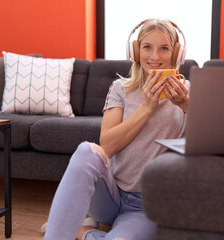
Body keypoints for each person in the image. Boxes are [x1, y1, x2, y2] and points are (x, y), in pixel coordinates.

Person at [44, 18, 190, 240]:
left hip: (146, 207)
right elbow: (108, 146)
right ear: (135, 52)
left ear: (177, 53)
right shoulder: (120, 89)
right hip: (109, 196)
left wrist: (185, 105)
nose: (155, 57)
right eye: (147, 47)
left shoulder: (187, 93)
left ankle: (84, 232)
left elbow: (207, 145)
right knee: (87, 151)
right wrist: (147, 106)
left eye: (164, 48)